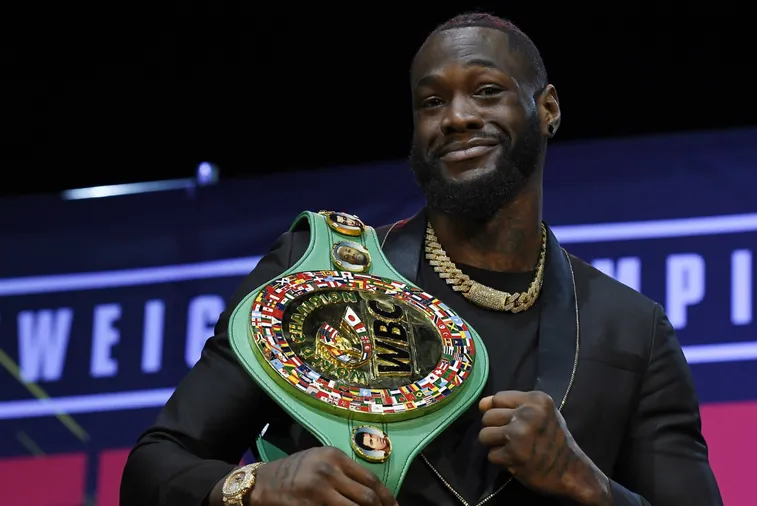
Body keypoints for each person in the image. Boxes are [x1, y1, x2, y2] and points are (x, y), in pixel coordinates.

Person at [119, 11, 723, 506]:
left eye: (487, 91)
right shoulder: (320, 270)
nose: (457, 117)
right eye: (432, 102)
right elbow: (155, 467)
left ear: (548, 109)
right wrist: (255, 486)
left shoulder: (631, 330)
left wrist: (586, 484)